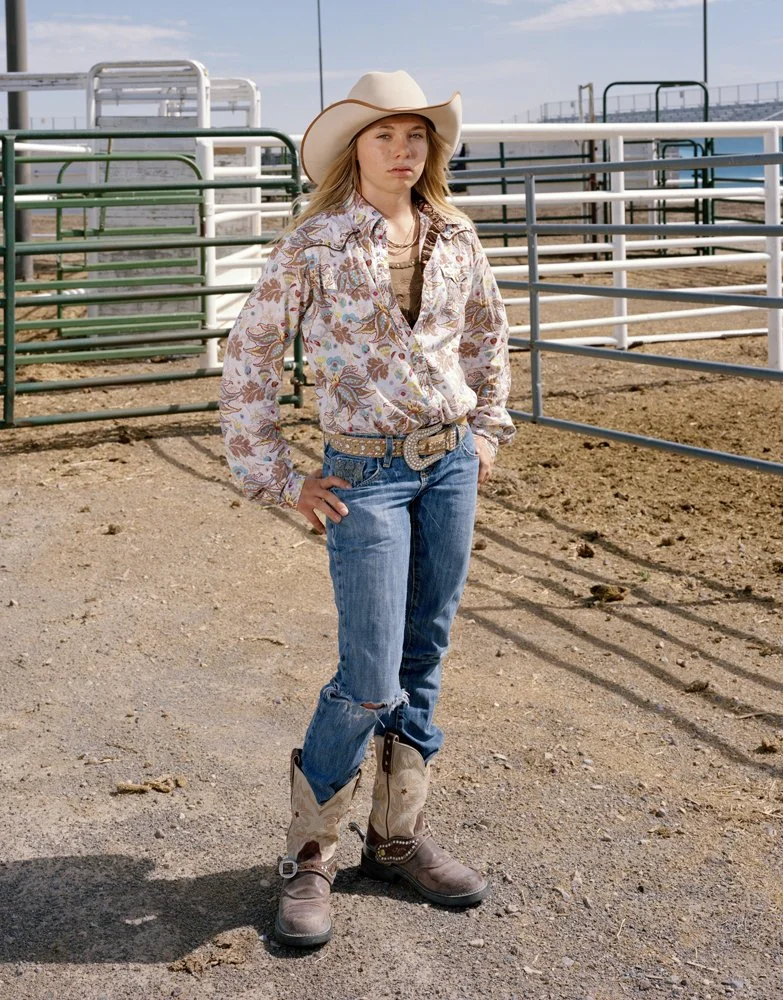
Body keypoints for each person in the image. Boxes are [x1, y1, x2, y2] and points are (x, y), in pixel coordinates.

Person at [219, 70, 515, 948]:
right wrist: (276, 475)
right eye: (384, 135)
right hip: (366, 475)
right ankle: (309, 851)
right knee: (368, 675)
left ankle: (395, 839)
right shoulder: (313, 243)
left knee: (424, 651)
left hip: (449, 463)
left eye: (416, 135)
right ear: (355, 150)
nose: (403, 148)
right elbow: (249, 358)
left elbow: (488, 334)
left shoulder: (455, 234)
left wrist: (488, 430)